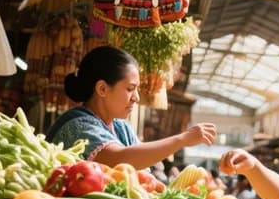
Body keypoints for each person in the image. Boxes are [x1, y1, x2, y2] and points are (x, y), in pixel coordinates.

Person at [46, 47, 216, 168]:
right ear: (102, 89)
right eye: (130, 89)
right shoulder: (77, 126)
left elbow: (140, 166)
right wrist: (182, 139)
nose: (136, 97)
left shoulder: (121, 127)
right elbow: (120, 159)